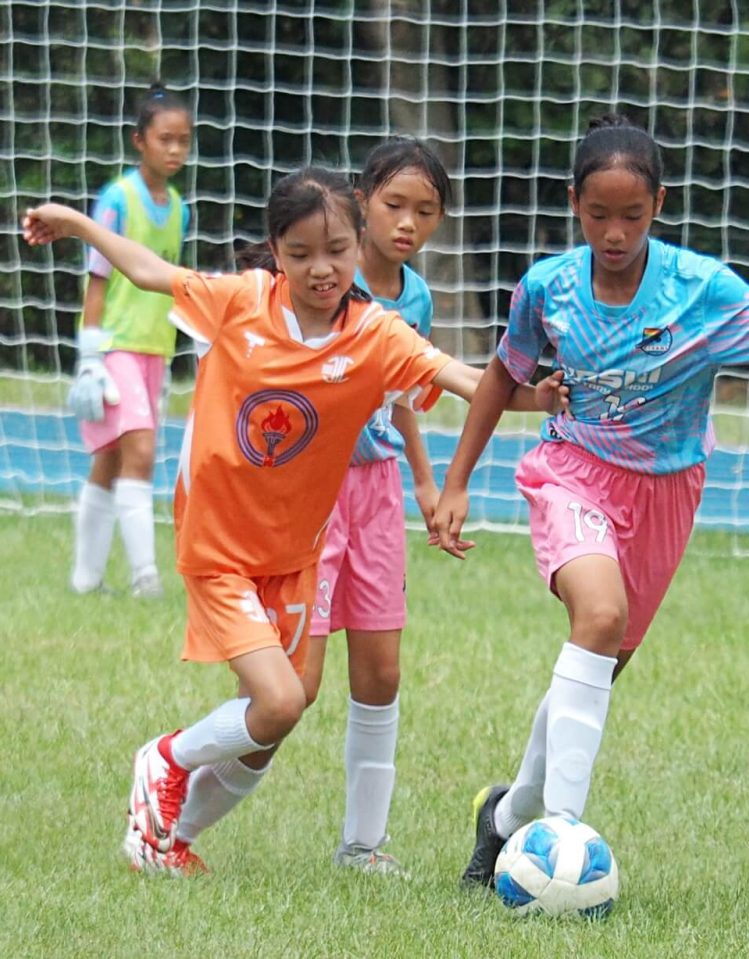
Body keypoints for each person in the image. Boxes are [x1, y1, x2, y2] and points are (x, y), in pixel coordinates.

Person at [22, 166, 556, 877]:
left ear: (356, 242)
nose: (322, 267)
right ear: (276, 250)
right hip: (219, 546)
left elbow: (462, 378)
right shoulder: (240, 302)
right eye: (301, 252)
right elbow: (151, 271)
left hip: (295, 553)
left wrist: (537, 398)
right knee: (275, 700)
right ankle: (164, 758)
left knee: (277, 717)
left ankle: (164, 839)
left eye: (336, 249)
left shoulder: (376, 334)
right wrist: (82, 224)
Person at [427, 114, 749, 888]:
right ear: (574, 202)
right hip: (571, 469)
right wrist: (456, 483)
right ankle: (566, 839)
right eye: (598, 215)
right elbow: (499, 378)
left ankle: (509, 816)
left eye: (633, 216)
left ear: (659, 205)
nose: (614, 233)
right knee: (599, 616)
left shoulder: (700, 291)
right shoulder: (547, 288)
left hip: (667, 493)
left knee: (601, 659)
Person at [292, 139, 450, 876]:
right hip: (311, 490)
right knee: (293, 685)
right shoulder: (327, 286)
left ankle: (362, 844)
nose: (408, 223)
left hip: (379, 487)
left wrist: (426, 482)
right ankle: (179, 781)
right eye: (394, 205)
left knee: (382, 671)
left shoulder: (414, 298)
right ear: (361, 202)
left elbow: (406, 393)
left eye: (425, 211)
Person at [68, 83, 193, 600]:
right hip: (115, 347)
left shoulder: (180, 206)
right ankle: (146, 577)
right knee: (140, 450)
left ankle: (86, 579)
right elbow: (97, 279)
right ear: (139, 140)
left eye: (184, 141)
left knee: (114, 458)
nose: (175, 150)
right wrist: (90, 356)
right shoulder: (117, 200)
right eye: (165, 139)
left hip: (154, 349)